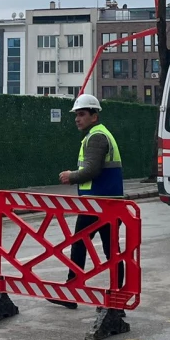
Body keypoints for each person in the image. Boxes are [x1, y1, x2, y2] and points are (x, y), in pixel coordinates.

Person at [52, 93, 124, 311]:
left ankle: (74, 291)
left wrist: (71, 176)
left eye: (82, 114)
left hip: (99, 204)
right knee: (108, 250)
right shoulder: (98, 135)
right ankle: (114, 297)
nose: (77, 118)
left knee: (84, 245)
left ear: (95, 116)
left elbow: (92, 169)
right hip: (103, 204)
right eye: (76, 114)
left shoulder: (97, 137)